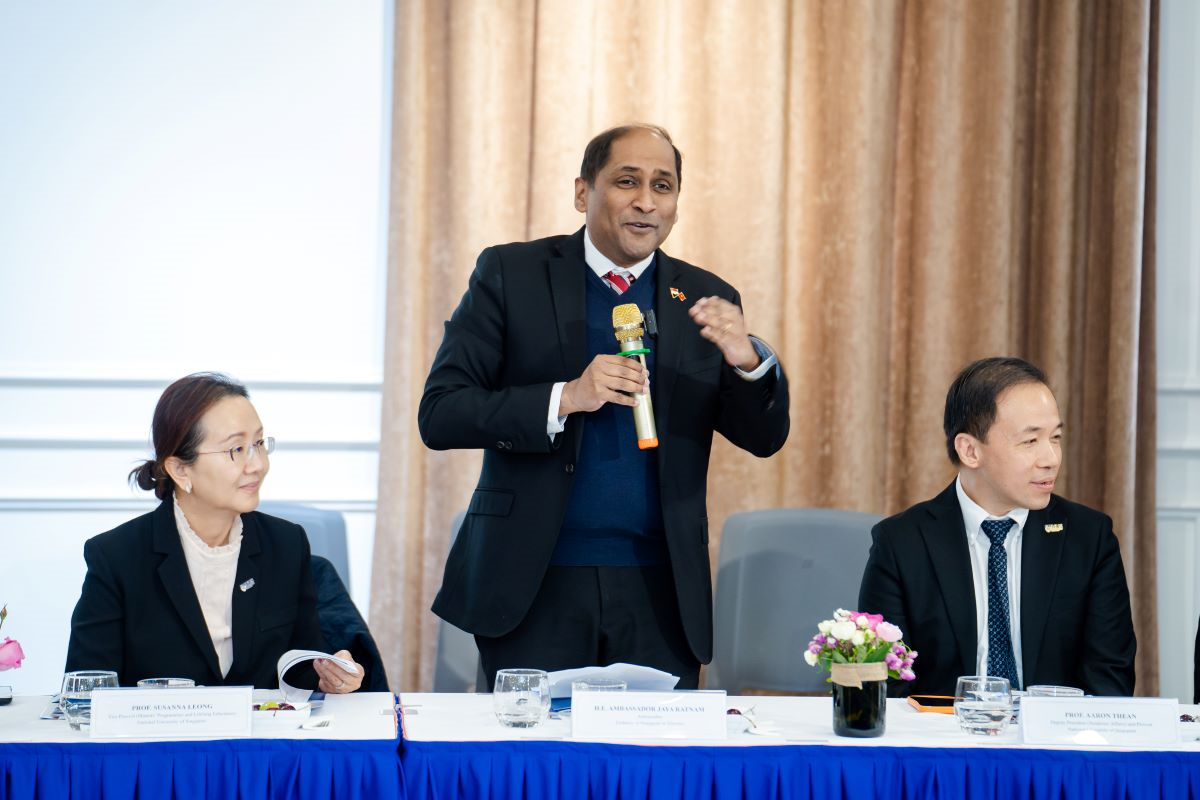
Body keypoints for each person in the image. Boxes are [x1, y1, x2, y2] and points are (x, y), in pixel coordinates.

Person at [419, 124, 790, 689]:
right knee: (534, 748)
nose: (646, 202)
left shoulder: (703, 297)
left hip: (661, 590)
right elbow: (442, 412)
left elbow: (764, 438)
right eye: (627, 181)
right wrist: (566, 397)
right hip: (533, 582)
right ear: (582, 192)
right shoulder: (511, 274)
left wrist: (747, 361)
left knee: (654, 747)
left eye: (663, 186)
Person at [65, 372, 364, 692]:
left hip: (259, 726)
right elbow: (87, 689)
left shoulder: (286, 545)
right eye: (236, 449)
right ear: (180, 469)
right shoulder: (117, 557)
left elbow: (300, 669)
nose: (257, 465)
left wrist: (330, 678)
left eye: (258, 444)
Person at [858, 357, 1136, 697]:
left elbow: (1110, 682)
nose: (1051, 458)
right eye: (1030, 441)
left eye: (1056, 437)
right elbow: (884, 683)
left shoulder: (1089, 539)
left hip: (1052, 730)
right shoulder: (902, 543)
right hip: (944, 729)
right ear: (970, 450)